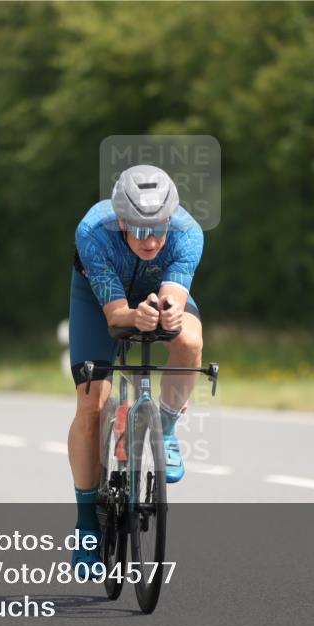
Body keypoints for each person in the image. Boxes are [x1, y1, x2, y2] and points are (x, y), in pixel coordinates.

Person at [67, 165, 204, 575]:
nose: (151, 239)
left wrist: (163, 314)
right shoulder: (93, 231)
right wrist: (133, 316)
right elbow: (115, 315)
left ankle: (164, 428)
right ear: (121, 219)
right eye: (140, 229)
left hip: (154, 289)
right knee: (93, 401)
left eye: (160, 228)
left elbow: (173, 297)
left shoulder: (189, 233)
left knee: (190, 341)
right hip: (100, 300)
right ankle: (87, 526)